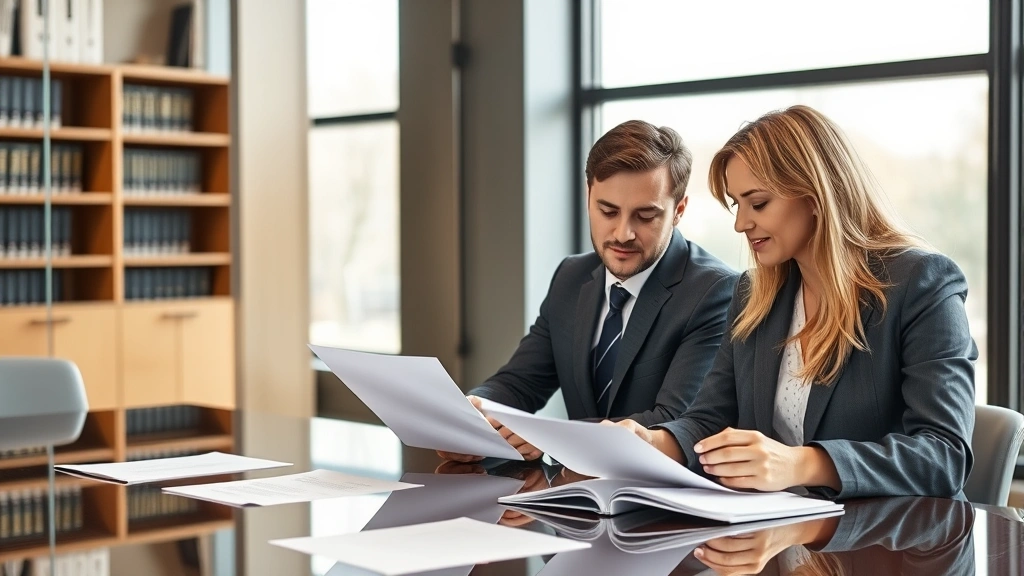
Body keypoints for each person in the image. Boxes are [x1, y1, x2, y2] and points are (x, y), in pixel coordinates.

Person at [614, 105, 976, 499]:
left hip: (885, 545)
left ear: (815, 196)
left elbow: (945, 455)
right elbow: (710, 420)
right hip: (778, 538)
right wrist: (651, 442)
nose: (741, 224)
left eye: (759, 203)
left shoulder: (922, 284)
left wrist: (800, 463)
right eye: (738, 204)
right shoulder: (753, 295)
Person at [439, 120, 739, 462]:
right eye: (607, 211)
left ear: (678, 211)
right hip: (578, 496)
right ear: (588, 196)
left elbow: (672, 421)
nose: (623, 233)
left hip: (664, 503)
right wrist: (471, 418)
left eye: (645, 216)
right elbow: (519, 383)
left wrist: (549, 437)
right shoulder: (571, 276)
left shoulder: (715, 291)